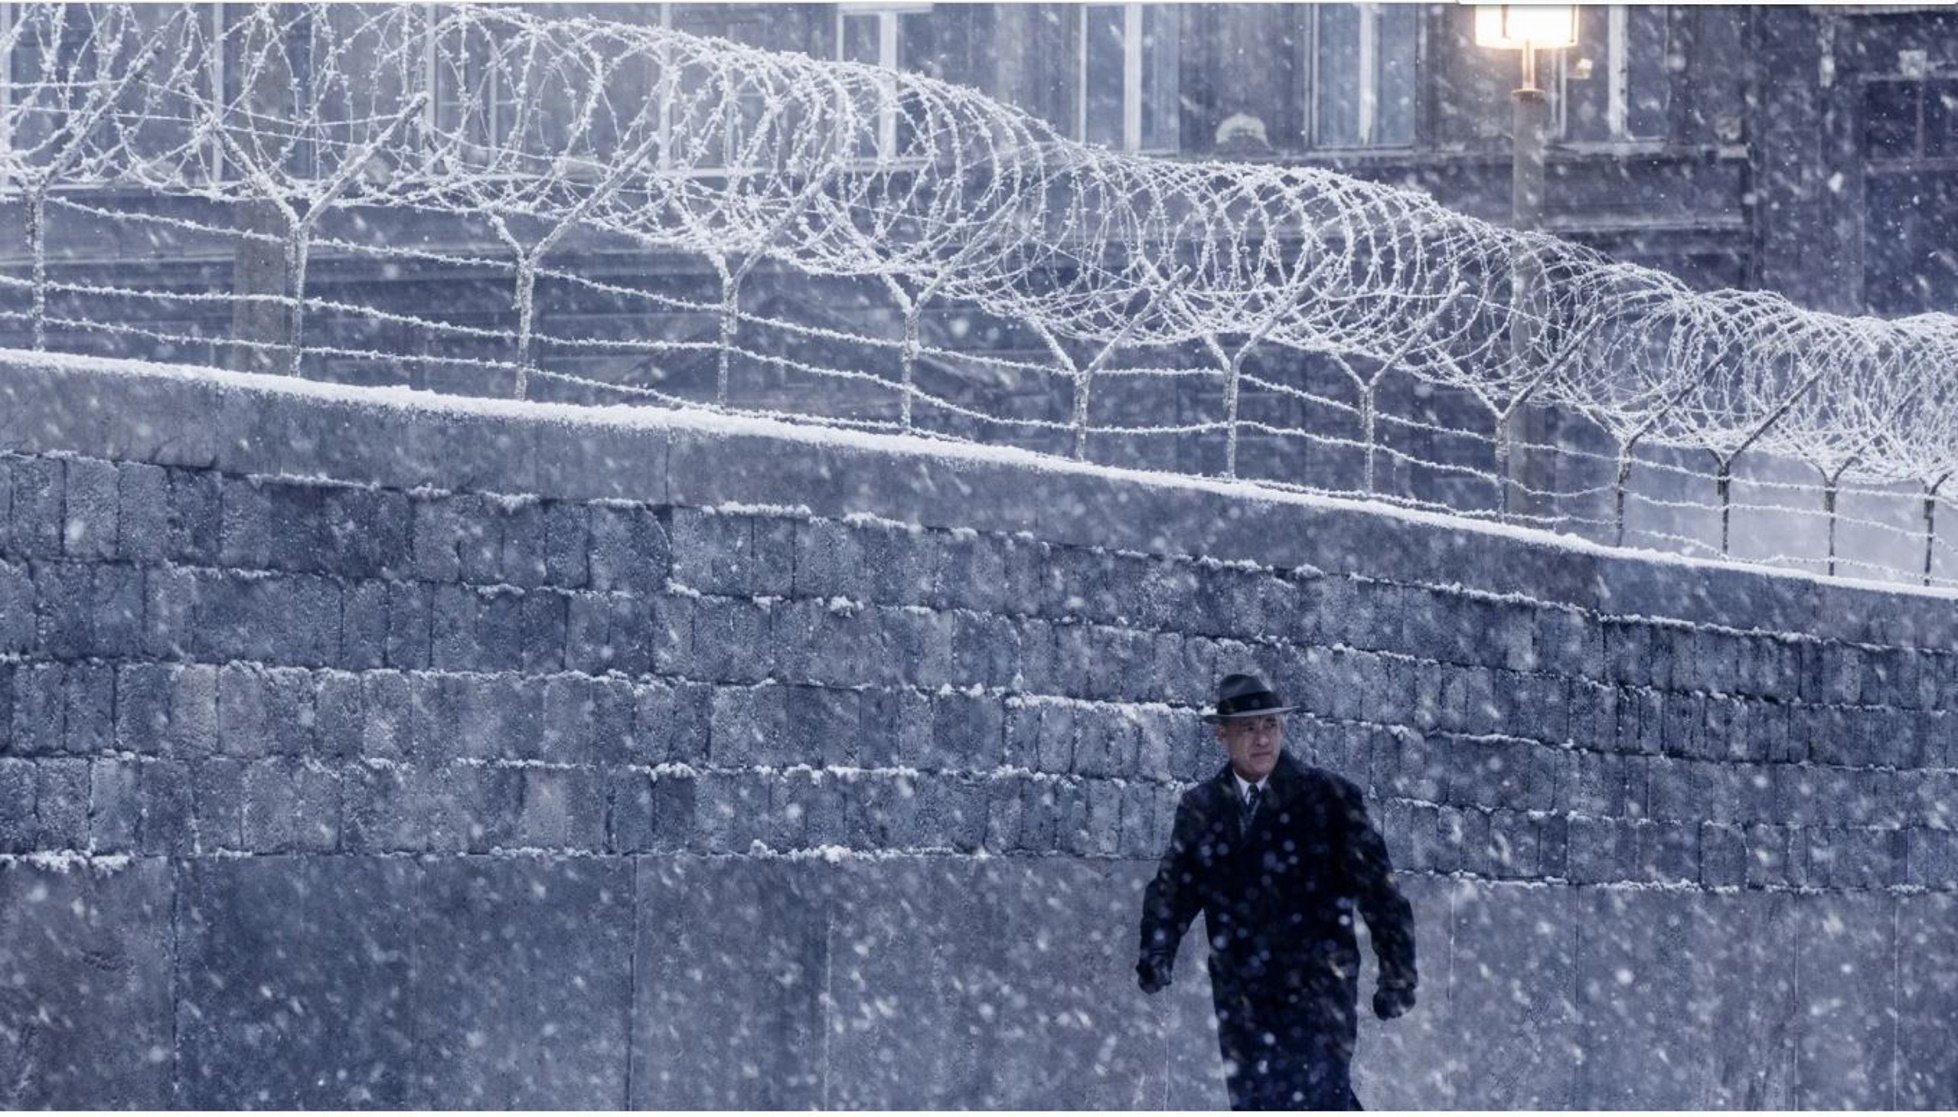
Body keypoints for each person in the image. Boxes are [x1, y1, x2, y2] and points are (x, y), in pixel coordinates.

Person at [1137, 673, 1417, 1110]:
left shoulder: (1330, 799)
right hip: (1242, 997)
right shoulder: (1203, 807)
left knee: (1318, 1098)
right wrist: (1157, 950)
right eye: (1248, 728)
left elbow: (1380, 892)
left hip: (1317, 992)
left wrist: (1398, 973)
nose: (1263, 739)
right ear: (1221, 734)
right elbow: (1174, 887)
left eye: (1270, 725)